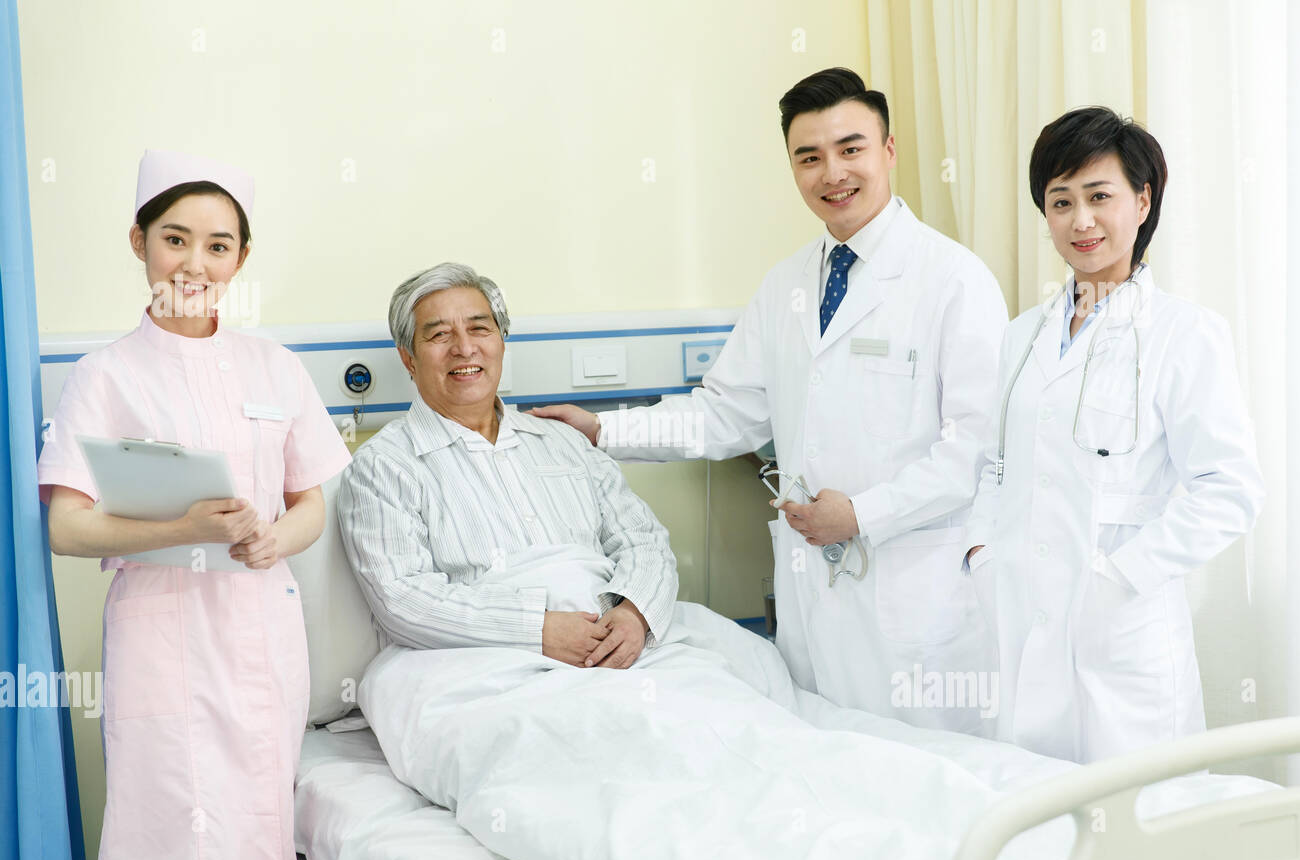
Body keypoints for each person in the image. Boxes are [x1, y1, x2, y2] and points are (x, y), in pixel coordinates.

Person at [530, 68, 1008, 732]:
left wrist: (862, 515)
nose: (831, 173)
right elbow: (723, 413)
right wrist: (603, 432)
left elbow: (974, 453)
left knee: (936, 782)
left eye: (851, 149)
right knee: (831, 773)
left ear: (889, 151)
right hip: (816, 596)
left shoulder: (955, 281)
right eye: (809, 157)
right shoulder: (787, 286)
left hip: (914, 595)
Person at [37, 149, 352, 860]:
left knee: (260, 815)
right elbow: (66, 526)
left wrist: (275, 539)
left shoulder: (275, 366)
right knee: (166, 817)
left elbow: (310, 502)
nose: (194, 264)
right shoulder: (104, 376)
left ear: (240, 258)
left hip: (262, 628)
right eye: (174, 239)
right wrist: (185, 529)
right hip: (161, 633)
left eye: (218, 246)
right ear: (138, 242)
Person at [962, 107, 1265, 763]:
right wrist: (979, 553)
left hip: (1120, 634)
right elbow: (994, 464)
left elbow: (1230, 490)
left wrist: (1120, 576)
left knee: (1139, 822)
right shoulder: (1021, 336)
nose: (1081, 221)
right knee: (1032, 820)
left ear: (1142, 200)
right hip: (1017, 621)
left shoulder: (1185, 334)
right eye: (1060, 201)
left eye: (1099, 196)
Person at [336, 263, 677, 668]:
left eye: (480, 328)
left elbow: (643, 540)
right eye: (440, 334)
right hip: (488, 662)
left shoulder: (563, 440)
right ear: (408, 358)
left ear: (501, 341)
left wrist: (634, 613)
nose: (464, 348)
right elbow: (403, 600)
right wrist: (537, 630)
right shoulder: (383, 467)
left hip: (620, 641)